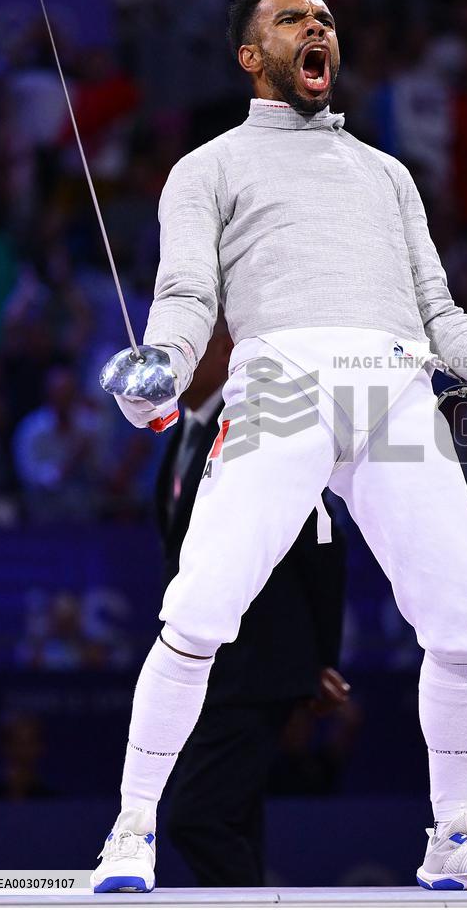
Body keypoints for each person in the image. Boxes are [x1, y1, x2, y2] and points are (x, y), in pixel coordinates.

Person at [92, 0, 467, 893]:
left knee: (461, 623)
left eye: (322, 18)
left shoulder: (387, 174)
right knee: (201, 609)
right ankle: (130, 832)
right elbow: (186, 295)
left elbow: (440, 319)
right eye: (291, 20)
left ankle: (453, 836)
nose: (314, 28)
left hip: (396, 394)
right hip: (281, 386)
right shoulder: (206, 168)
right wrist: (160, 363)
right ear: (254, 55)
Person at [156, 316, 348, 886]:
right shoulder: (186, 431)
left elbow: (321, 539)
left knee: (197, 816)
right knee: (234, 817)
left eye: (183, 343)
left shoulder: (257, 420)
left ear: (223, 351)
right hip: (209, 667)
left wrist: (320, 660)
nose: (170, 357)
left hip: (257, 665)